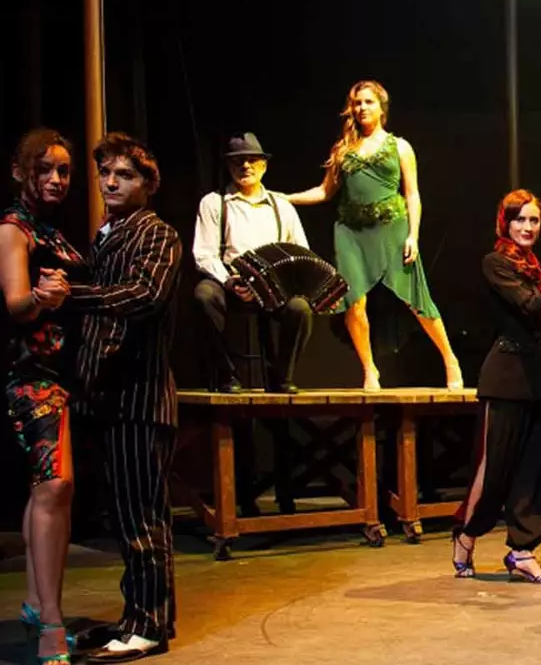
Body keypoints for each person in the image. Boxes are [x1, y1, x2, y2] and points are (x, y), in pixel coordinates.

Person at [64, 133, 183, 662]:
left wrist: (71, 295)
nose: (111, 182)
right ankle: (138, 617)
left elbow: (145, 295)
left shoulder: (157, 234)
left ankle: (149, 627)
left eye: (125, 175)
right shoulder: (107, 234)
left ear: (148, 184)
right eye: (106, 173)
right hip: (111, 398)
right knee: (126, 518)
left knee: (142, 519)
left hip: (141, 399)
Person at [451, 191, 541, 583]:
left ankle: (522, 550)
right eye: (520, 219)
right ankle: (466, 534)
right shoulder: (496, 262)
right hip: (505, 378)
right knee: (493, 468)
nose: (528, 227)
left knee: (532, 473)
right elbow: (530, 304)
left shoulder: (537, 266)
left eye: (534, 220)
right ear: (506, 222)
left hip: (539, 380)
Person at [287, 80, 461, 390]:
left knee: (416, 298)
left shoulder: (400, 147)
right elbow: (325, 192)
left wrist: (413, 236)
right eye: (357, 103)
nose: (361, 108)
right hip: (351, 233)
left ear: (382, 108)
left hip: (392, 227)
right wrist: (285, 198)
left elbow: (412, 194)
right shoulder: (343, 149)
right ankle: (369, 369)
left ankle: (449, 359)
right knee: (354, 301)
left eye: (368, 102)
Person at [2, 129, 84, 664]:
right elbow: (15, 303)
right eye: (45, 169)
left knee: (51, 490)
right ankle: (51, 621)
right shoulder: (14, 228)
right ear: (20, 173)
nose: (56, 179)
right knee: (54, 486)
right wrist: (40, 296)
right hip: (30, 375)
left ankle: (37, 603)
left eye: (64, 171)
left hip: (59, 373)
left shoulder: (50, 228)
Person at [192, 132, 312, 393]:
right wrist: (229, 281)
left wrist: (290, 281)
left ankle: (282, 376)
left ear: (264, 166)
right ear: (229, 166)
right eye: (238, 161)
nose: (245, 166)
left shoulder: (282, 207)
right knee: (204, 295)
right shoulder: (214, 203)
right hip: (231, 283)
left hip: (274, 287)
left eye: (252, 160)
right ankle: (226, 374)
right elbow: (204, 253)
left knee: (300, 308)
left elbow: (301, 252)